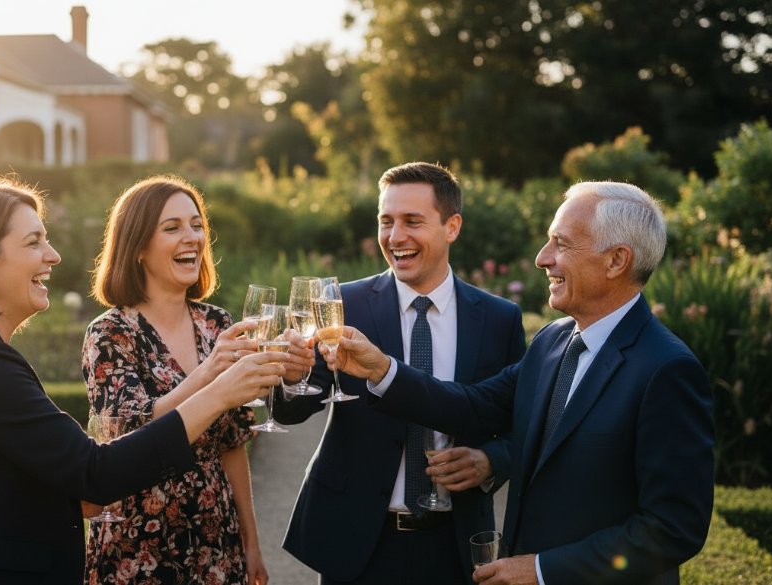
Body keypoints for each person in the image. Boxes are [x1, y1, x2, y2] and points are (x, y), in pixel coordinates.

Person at [0, 178, 285, 585]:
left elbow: (53, 479)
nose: (54, 255)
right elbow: (95, 472)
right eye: (33, 242)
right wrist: (217, 392)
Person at [323, 181, 715, 585]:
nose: (542, 258)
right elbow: (471, 407)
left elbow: (674, 528)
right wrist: (382, 369)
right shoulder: (553, 341)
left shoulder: (667, 370)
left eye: (560, 244)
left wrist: (542, 570)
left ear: (616, 260)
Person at [272, 162, 526, 584]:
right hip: (357, 542)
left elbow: (522, 422)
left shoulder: (499, 319)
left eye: (412, 221)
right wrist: (291, 376)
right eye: (386, 222)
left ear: (452, 226)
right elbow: (293, 409)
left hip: (456, 544)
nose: (395, 237)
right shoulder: (342, 304)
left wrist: (490, 460)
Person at [83, 175, 268, 584]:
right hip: (138, 544)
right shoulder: (111, 333)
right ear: (138, 249)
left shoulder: (217, 323)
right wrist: (211, 375)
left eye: (197, 224)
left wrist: (251, 541)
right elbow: (131, 431)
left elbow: (232, 443)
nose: (193, 238)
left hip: (217, 540)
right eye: (172, 228)